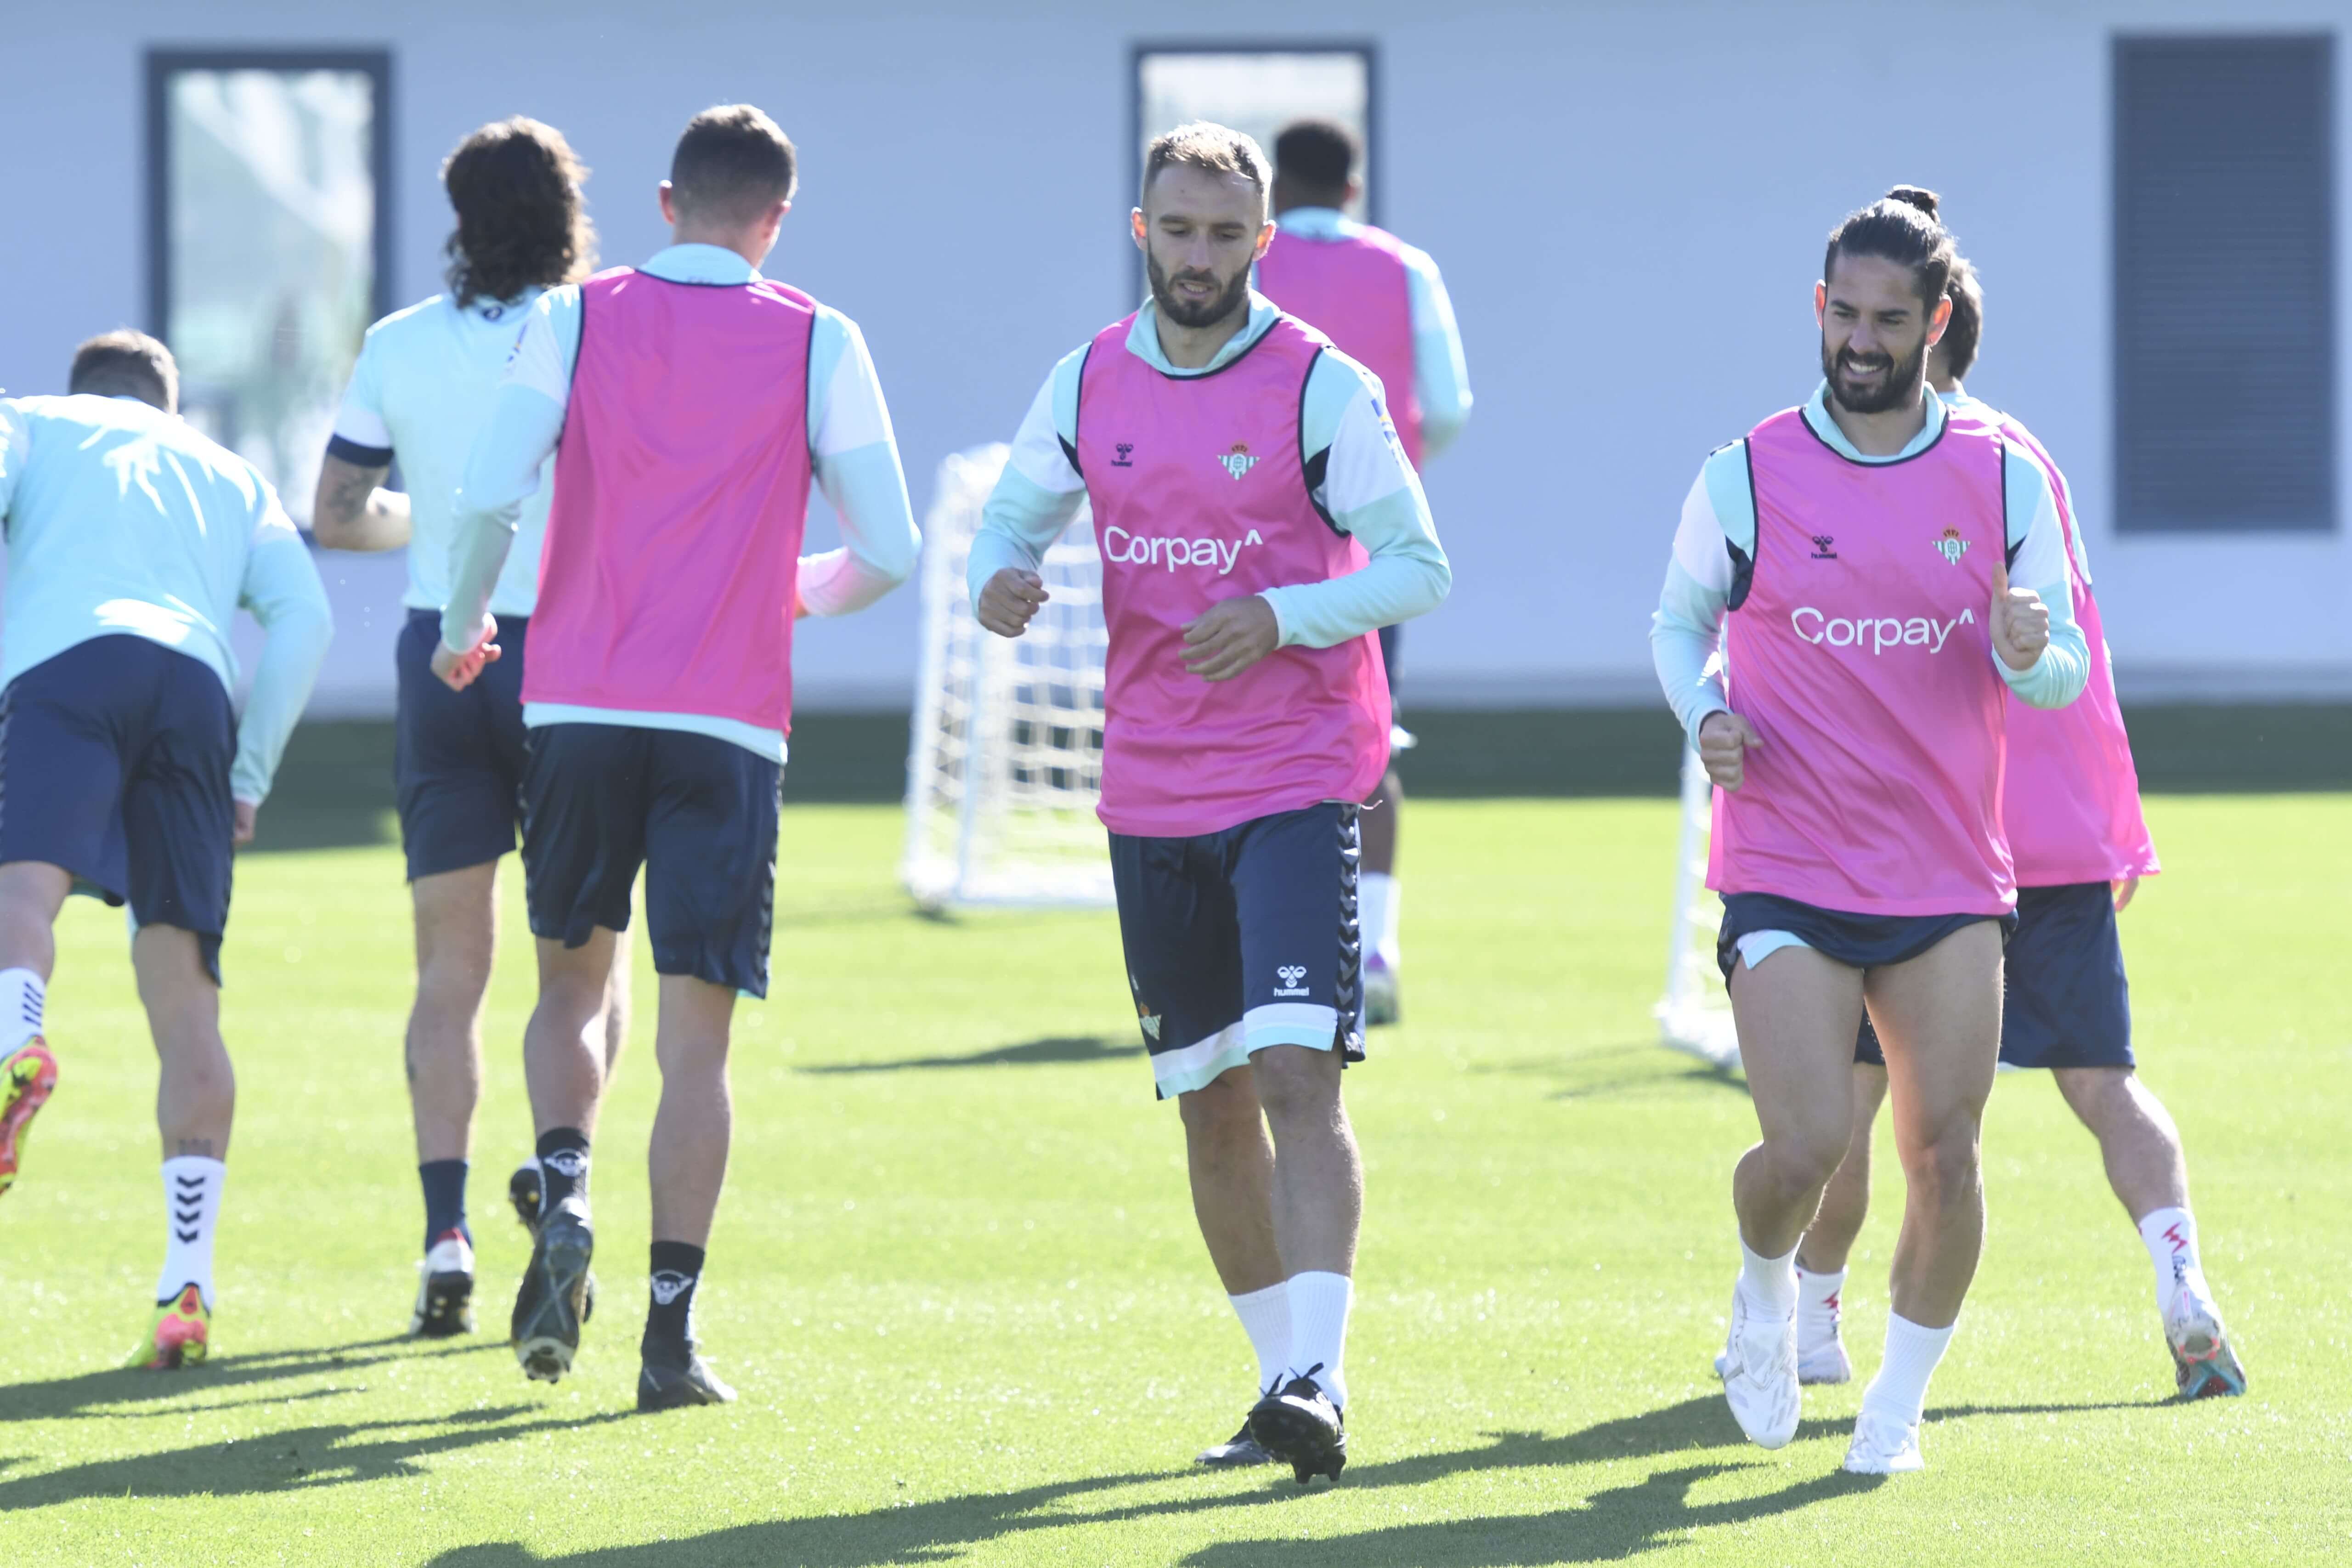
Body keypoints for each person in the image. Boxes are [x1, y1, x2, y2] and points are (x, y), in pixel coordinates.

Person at [970, 122, 1450, 1483]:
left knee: (1300, 1072)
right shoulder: (1087, 379)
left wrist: (1284, 613)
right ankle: (1272, 1381)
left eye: (1224, 236)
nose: (1199, 257)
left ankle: (1321, 1376)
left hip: (1299, 773)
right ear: (1142, 230)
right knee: (1207, 1101)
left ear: (1262, 242)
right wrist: (997, 582)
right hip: (1151, 788)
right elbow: (1011, 522)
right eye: (1177, 231)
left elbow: (1419, 566)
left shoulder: (1320, 384)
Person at [441, 104, 919, 1410]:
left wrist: (468, 615)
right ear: (777, 217)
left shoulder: (578, 313)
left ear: (665, 202)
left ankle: (565, 1177)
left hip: (583, 703)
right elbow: (893, 548)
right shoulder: (822, 335)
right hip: (729, 720)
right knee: (695, 1044)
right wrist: (793, 593)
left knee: (569, 986)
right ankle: (669, 1337)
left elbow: (489, 490)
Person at [1650, 190, 2090, 1473]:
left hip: (1949, 868)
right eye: (1843, 312)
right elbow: (1679, 624)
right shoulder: (1745, 471)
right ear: (1819, 309)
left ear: (1934, 323)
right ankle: (1763, 1285)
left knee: (1943, 1152)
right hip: (1788, 856)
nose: (1859, 339)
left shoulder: (2002, 472)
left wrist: (2031, 649)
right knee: (1804, 1147)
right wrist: (1706, 709)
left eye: (1888, 319)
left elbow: (2056, 663)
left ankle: (1893, 1412)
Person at [1779, 228, 2245, 1402]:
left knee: (1858, 1099)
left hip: (1924, 847)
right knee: (2101, 1078)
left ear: (1927, 333)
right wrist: (2109, 825)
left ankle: (1817, 1330)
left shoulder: (1932, 473)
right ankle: (2181, 1280)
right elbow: (2074, 657)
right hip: (2056, 836)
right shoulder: (2027, 463)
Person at [314, 115, 631, 1342]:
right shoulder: (604, 326)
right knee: (586, 963)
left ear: (458, 216)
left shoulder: (398, 342)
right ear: (571, 210)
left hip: (441, 653)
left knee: (450, 967)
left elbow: (339, 512)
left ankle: (444, 1231)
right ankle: (566, 1183)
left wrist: (437, 529)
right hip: (576, 653)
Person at [0, 330, 332, 1366]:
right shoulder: (230, 475)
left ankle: (16, 1042)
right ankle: (186, 1279)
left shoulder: (32, 421)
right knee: (187, 998)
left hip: (68, 665)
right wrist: (250, 775)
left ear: (84, 389)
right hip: (193, 689)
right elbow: (307, 620)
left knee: (23, 891)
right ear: (170, 404)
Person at [1252, 119, 1472, 1028]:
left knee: (1249, 735)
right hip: (1369, 549)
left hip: (1254, 542)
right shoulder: (1406, 267)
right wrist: (1391, 478)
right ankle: (1372, 949)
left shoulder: (1248, 265)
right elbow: (1449, 406)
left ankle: (1256, 950)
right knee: (1370, 739)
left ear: (1270, 192)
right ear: (1350, 187)